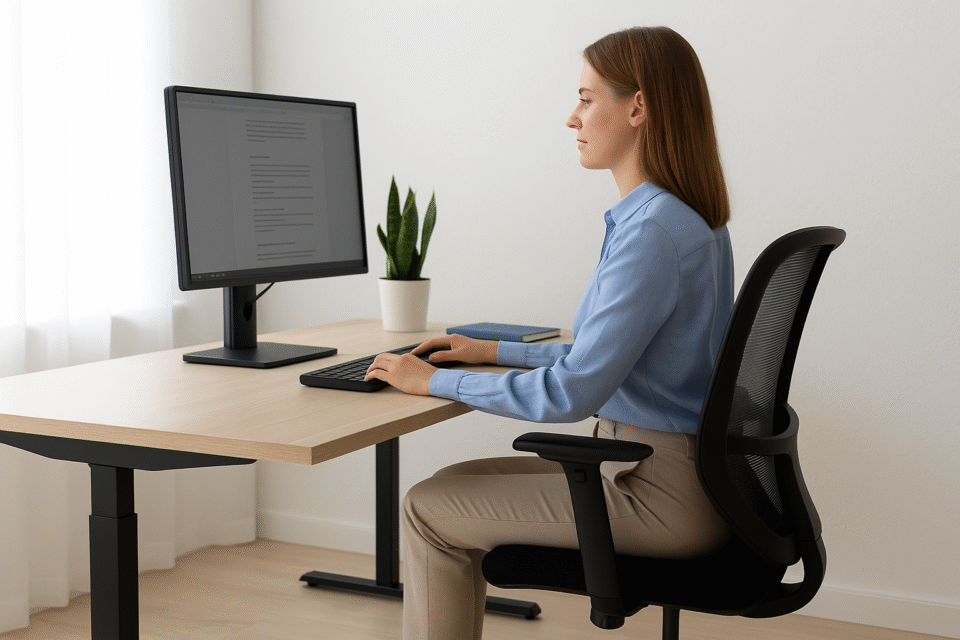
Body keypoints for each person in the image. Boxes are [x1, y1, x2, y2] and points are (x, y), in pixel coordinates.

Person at [365, 26, 734, 640]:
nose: (573, 117)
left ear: (637, 107)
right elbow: (614, 357)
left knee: (428, 510)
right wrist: (491, 351)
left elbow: (569, 394)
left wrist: (436, 382)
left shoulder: (652, 235)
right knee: (444, 488)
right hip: (674, 471)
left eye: (587, 99)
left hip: (656, 492)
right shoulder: (677, 219)